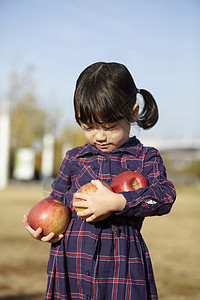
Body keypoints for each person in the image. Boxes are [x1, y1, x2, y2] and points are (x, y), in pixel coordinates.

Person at [23, 62, 176, 300]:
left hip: (120, 266)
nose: (100, 136)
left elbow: (165, 197)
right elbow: (56, 204)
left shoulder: (146, 158)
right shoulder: (75, 158)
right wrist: (43, 229)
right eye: (89, 127)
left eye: (110, 126)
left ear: (133, 113)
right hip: (70, 262)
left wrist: (118, 202)